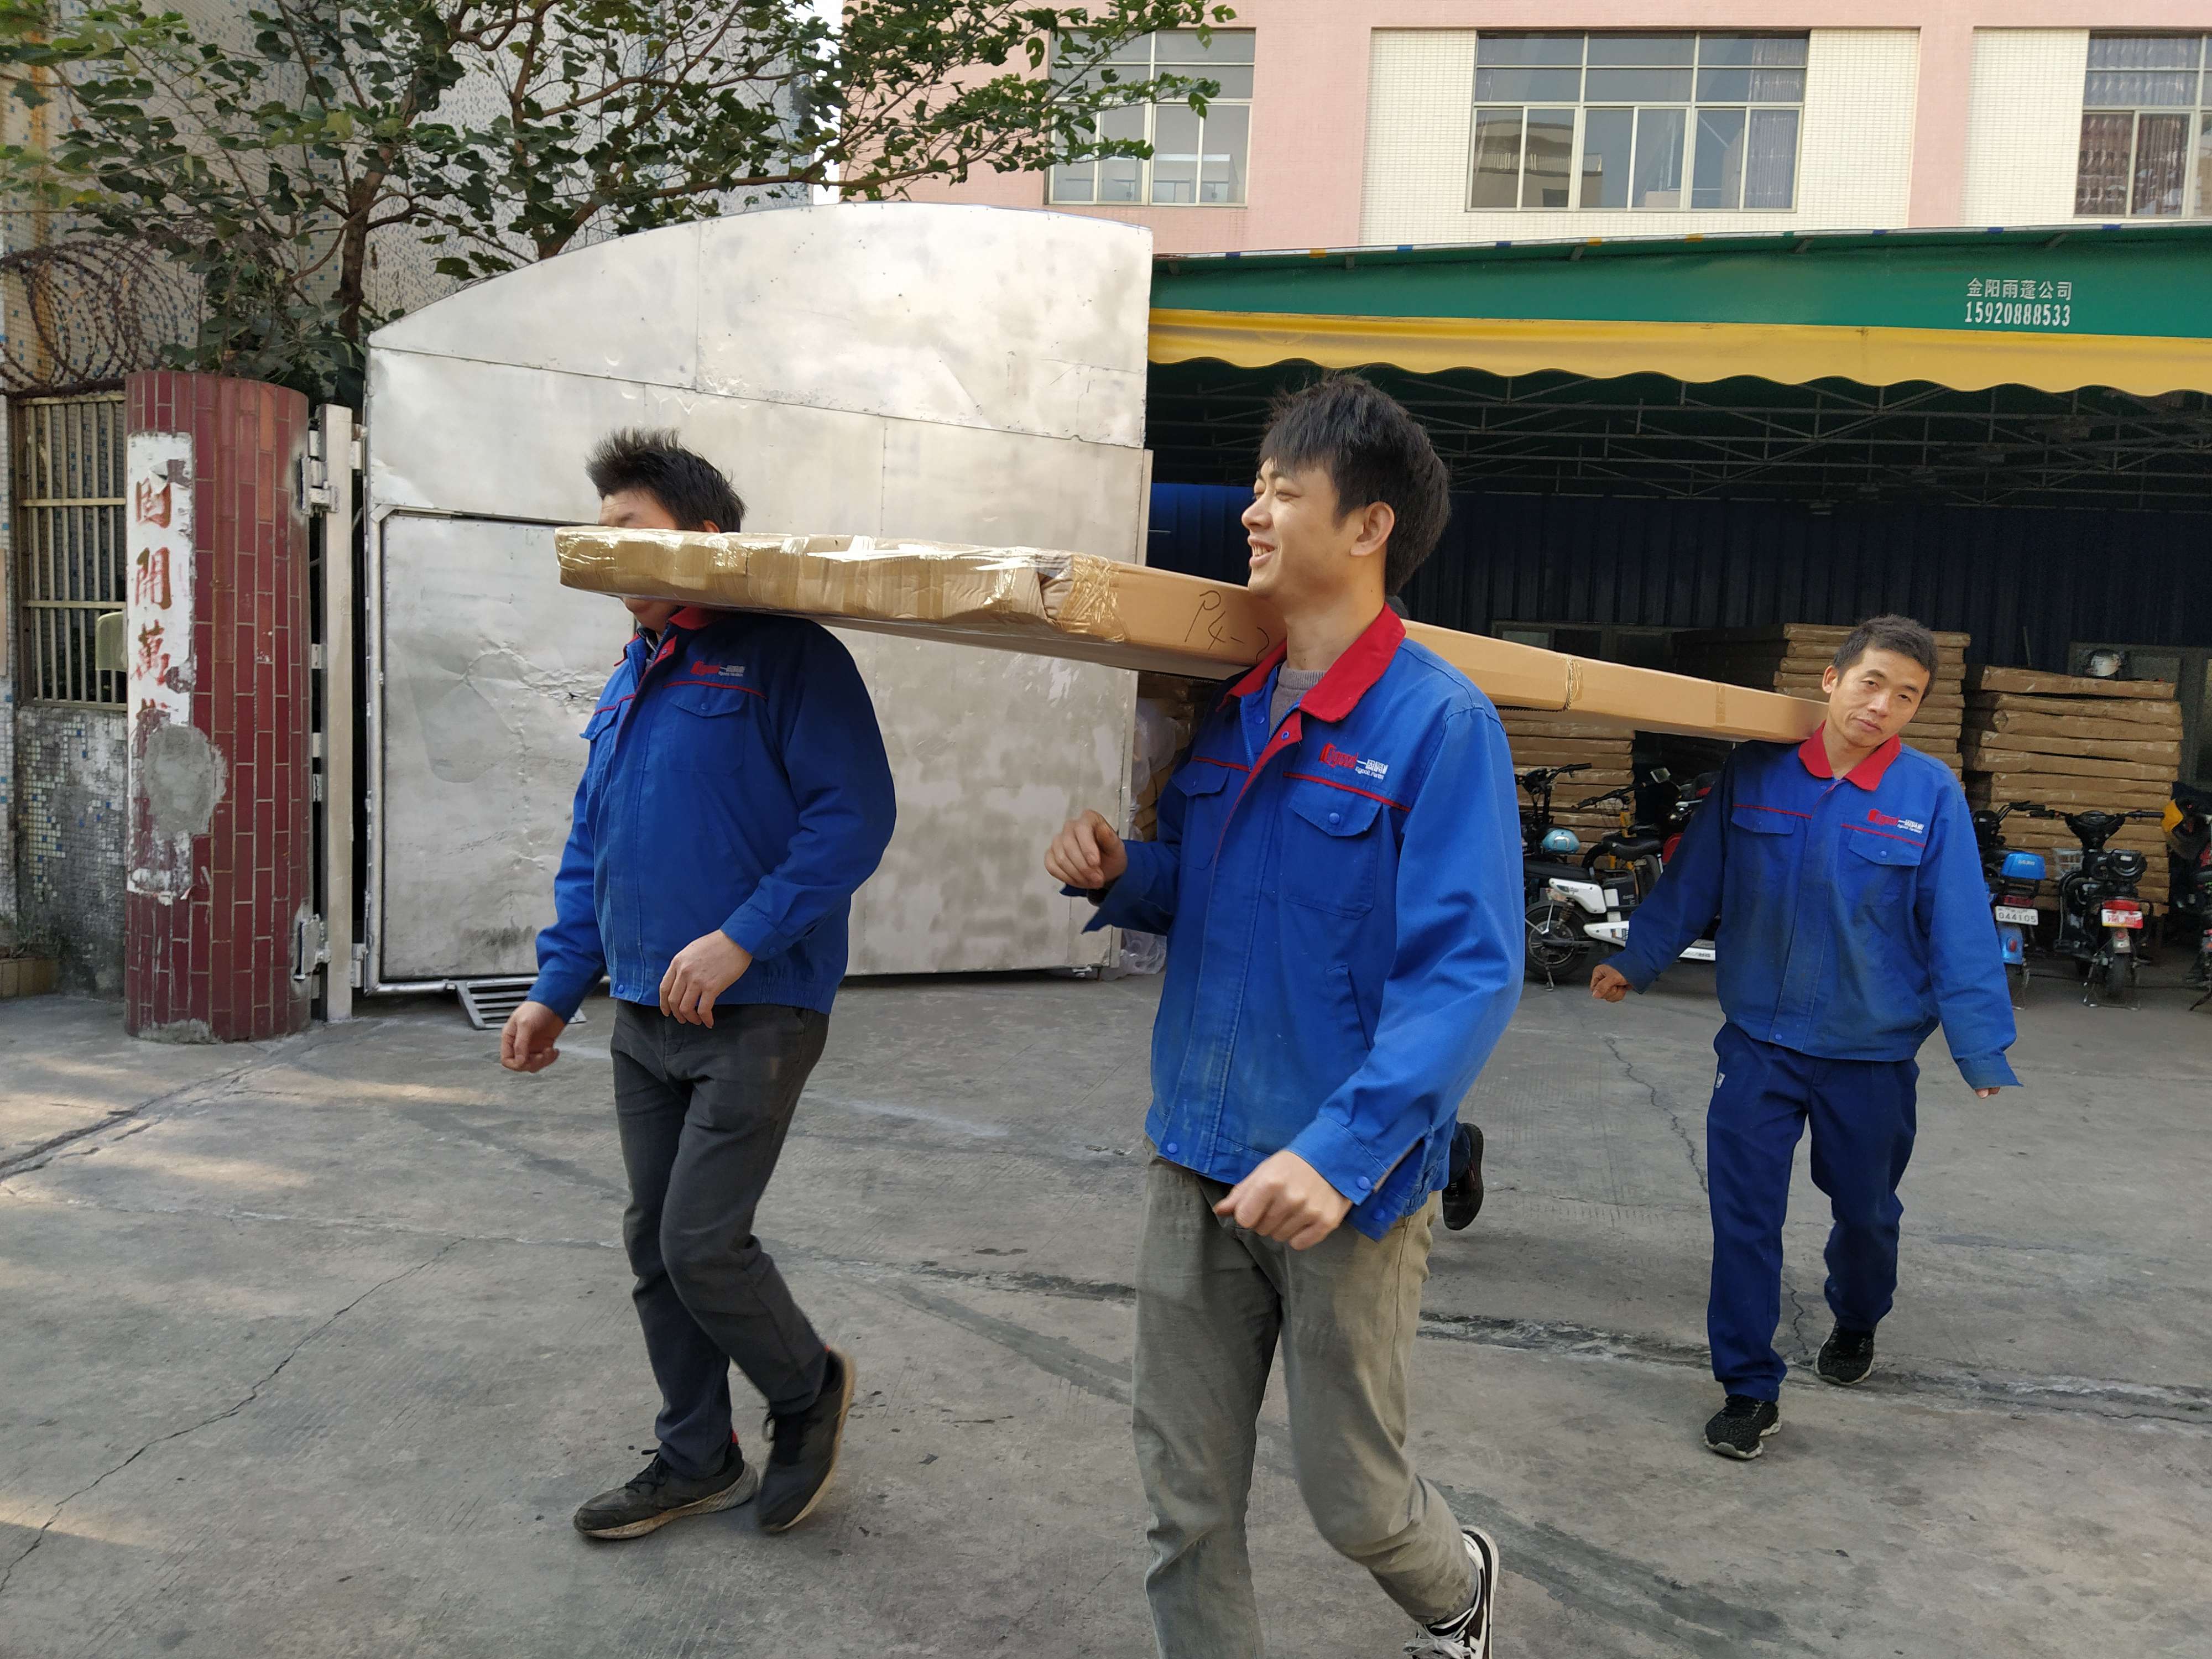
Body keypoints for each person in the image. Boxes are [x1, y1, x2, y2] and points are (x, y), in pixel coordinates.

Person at [1045, 377, 1522, 1659]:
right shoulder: (1237, 706)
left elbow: (1466, 973)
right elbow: (1211, 891)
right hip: (1192, 1152)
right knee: (1183, 1502)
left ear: (1365, 528)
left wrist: (1341, 1148)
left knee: (1352, 1499)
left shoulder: (1436, 726)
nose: (1251, 511)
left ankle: (1454, 1584)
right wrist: (1119, 876)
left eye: (1281, 491)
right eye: (1257, 487)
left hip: (1342, 1185)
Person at [501, 430, 896, 1538]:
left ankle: (805, 1389)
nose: (603, 544)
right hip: (638, 1011)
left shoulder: (787, 658)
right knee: (652, 1244)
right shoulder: (635, 675)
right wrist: (551, 987)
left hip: (757, 1011)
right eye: (599, 527)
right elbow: (596, 845)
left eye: (627, 528)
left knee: (700, 1241)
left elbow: (851, 819)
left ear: (706, 541)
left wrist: (741, 937)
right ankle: (694, 1456)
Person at [1589, 614, 2018, 1460]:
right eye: (1871, 683)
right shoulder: (1757, 773)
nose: (1883, 705)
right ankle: (1749, 1387)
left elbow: (1961, 926)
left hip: (1871, 1055)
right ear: (1831, 680)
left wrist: (1979, 1043)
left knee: (1865, 1215)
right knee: (1743, 1218)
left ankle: (1857, 1317)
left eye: (1906, 696)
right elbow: (1696, 876)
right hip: (1759, 1042)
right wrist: (1639, 957)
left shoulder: (1928, 795)